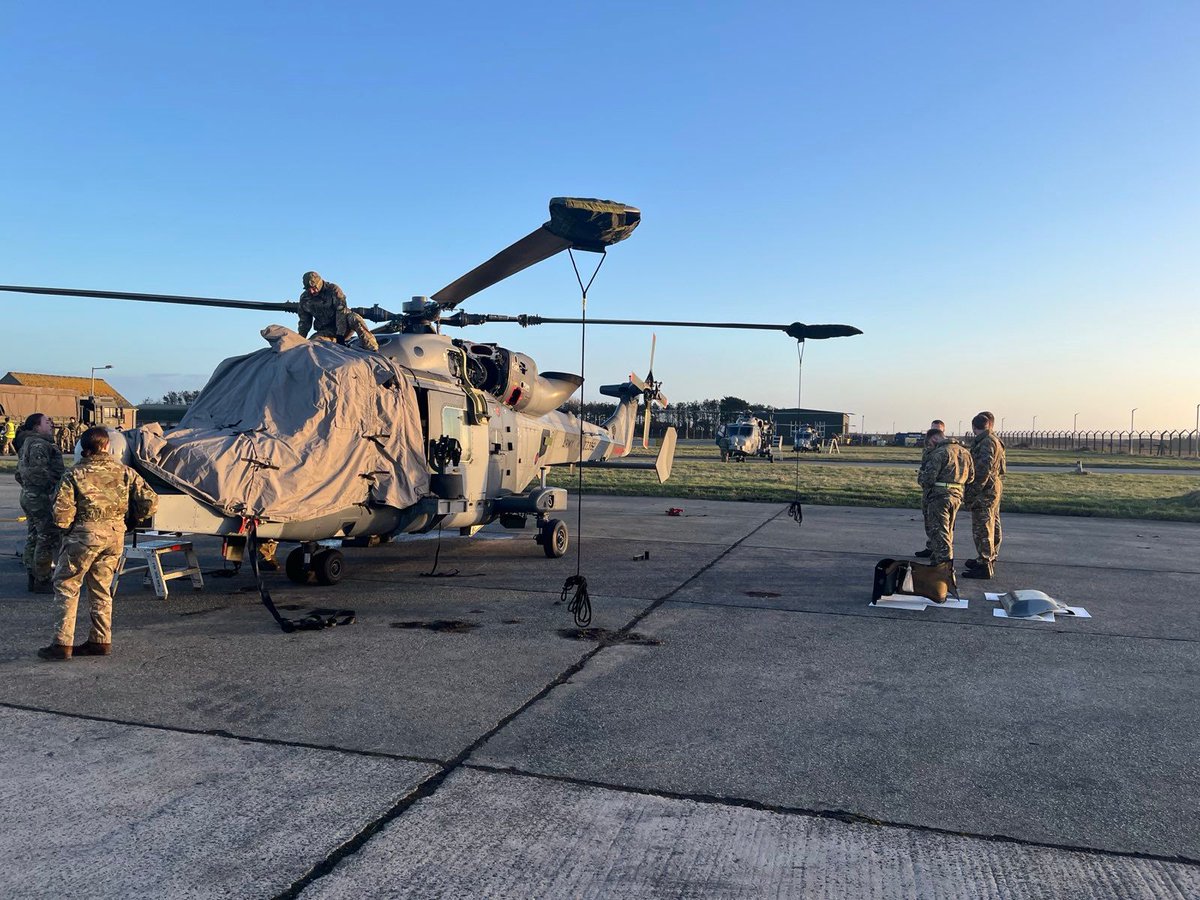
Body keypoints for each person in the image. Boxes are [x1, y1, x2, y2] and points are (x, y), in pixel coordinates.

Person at [37, 427, 158, 661]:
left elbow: (60, 512)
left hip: (83, 535)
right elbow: (150, 501)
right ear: (106, 446)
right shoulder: (125, 472)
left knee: (67, 586)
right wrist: (131, 520)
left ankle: (62, 643)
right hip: (114, 535)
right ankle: (101, 640)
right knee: (102, 588)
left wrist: (68, 529)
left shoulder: (74, 474)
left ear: (84, 448)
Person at [16, 413, 65, 593]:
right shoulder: (39, 444)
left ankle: (33, 571)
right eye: (46, 421)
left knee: (35, 535)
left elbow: (18, 474)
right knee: (47, 536)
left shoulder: (28, 444)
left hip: (30, 495)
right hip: (40, 496)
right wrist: (56, 485)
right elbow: (39, 472)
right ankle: (42, 578)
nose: (50, 424)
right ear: (37, 426)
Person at [916, 428, 974, 569]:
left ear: (934, 439)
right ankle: (939, 560)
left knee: (939, 532)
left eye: (930, 443)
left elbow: (928, 479)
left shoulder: (940, 453)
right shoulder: (965, 452)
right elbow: (971, 477)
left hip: (940, 496)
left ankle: (943, 567)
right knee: (948, 530)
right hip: (957, 495)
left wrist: (920, 477)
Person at [964, 411, 1007, 579]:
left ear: (974, 427)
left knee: (983, 526)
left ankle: (985, 563)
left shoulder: (986, 443)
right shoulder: (995, 440)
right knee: (993, 523)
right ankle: (988, 557)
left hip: (985, 489)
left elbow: (982, 470)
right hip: (993, 486)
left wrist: (972, 492)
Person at [297, 271, 379, 351]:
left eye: (314, 288)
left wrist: (340, 336)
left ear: (319, 284)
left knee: (354, 318)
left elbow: (341, 313)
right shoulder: (305, 298)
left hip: (344, 327)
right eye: (309, 289)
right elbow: (304, 322)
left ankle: (372, 349)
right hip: (327, 331)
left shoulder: (333, 290)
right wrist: (299, 341)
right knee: (313, 343)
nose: (311, 291)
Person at [914, 419, 946, 558]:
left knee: (939, 523)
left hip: (939, 489)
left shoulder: (944, 450)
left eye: (937, 429)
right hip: (929, 490)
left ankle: (939, 550)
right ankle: (931, 545)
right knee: (928, 518)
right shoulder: (928, 448)